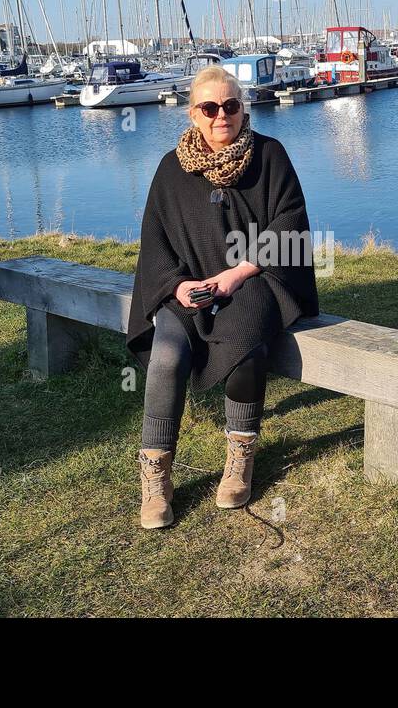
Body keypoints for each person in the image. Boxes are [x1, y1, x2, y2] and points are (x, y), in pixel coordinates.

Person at [125, 64, 320, 529]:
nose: (221, 116)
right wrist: (177, 285)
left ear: (243, 107)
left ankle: (241, 456)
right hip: (190, 287)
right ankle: (156, 474)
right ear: (193, 113)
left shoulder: (269, 156)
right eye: (209, 108)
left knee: (244, 348)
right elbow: (154, 241)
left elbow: (290, 224)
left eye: (231, 106)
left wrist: (238, 274)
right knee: (167, 355)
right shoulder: (171, 169)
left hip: (256, 280)